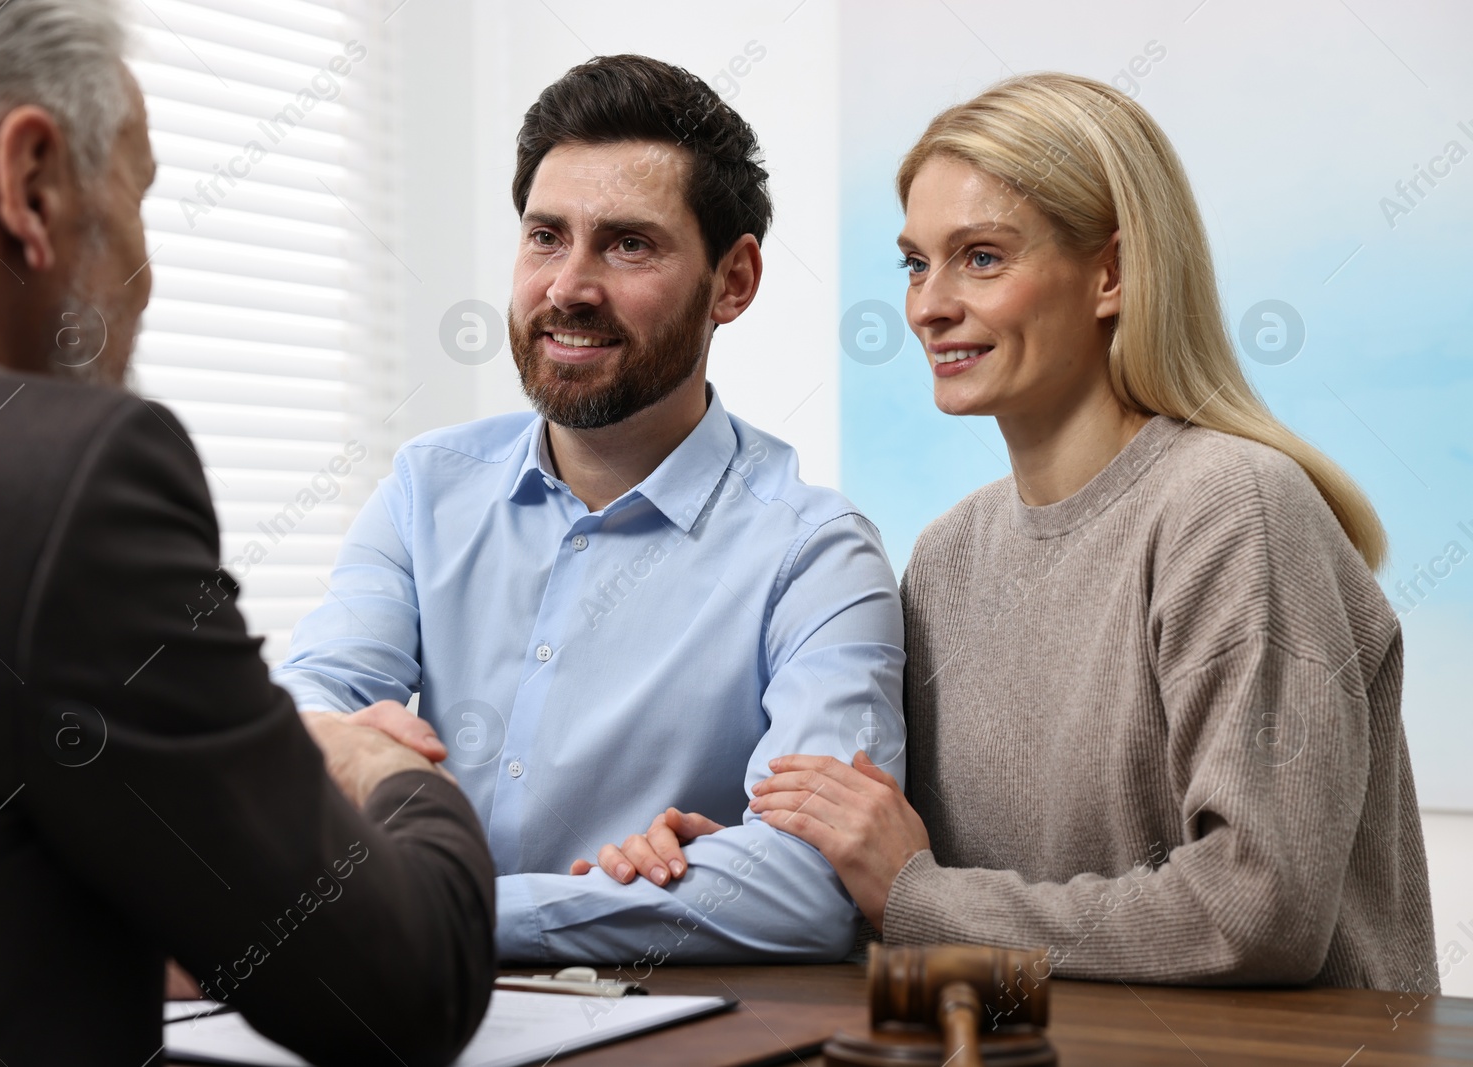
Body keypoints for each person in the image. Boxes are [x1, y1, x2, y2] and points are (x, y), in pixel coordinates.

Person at [599, 72, 1437, 992]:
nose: (929, 306)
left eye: (983, 258)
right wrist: (761, 868)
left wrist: (915, 896)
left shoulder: (1234, 508)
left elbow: (1255, 911)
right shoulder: (948, 558)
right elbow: (915, 875)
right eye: (916, 263)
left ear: (1110, 273)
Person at [0, 2, 494, 1063]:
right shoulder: (59, 477)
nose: (146, 271)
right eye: (140, 195)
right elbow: (401, 986)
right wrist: (385, 769)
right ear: (30, 182)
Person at [273, 54, 906, 965]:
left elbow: (816, 884)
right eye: (545, 237)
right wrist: (327, 738)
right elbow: (300, 720)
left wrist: (444, 911)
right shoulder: (426, 489)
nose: (568, 286)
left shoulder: (818, 557)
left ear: (734, 281)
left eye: (628, 244)